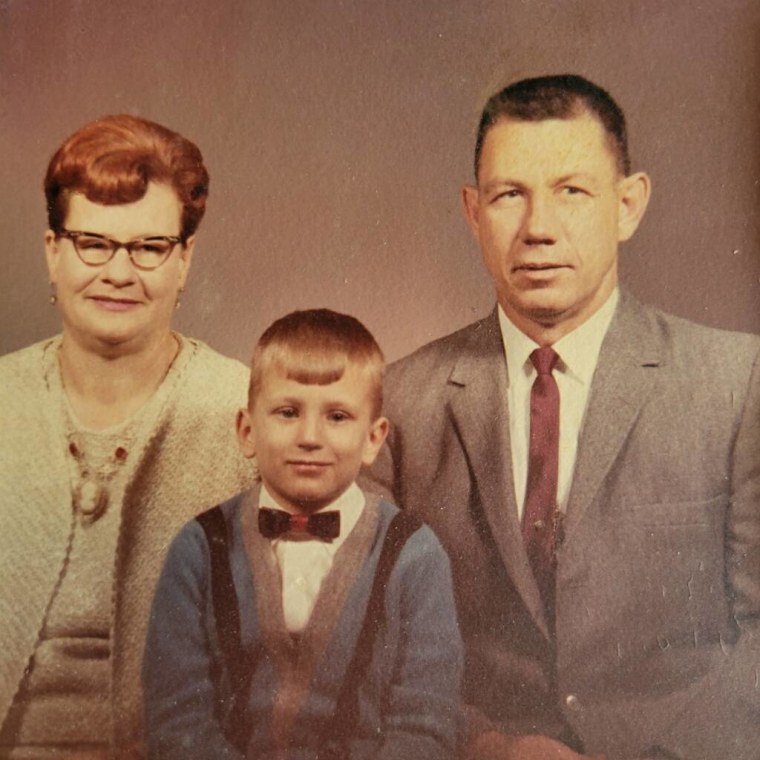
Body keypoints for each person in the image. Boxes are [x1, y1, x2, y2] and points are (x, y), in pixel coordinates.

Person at [366, 75, 760, 759]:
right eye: (509, 195)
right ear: (472, 211)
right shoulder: (398, 403)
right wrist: (487, 745)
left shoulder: (738, 385)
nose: (538, 228)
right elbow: (366, 637)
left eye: (572, 192)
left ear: (629, 205)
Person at [0, 115, 254, 758]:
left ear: (184, 260)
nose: (119, 272)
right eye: (93, 243)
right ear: (52, 251)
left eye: (148, 248)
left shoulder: (247, 413)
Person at [142, 309, 463, 759]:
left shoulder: (414, 555)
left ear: (374, 438)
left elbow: (424, 726)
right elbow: (176, 721)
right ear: (247, 430)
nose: (310, 436)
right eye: (288, 412)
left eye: (337, 416)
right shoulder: (197, 548)